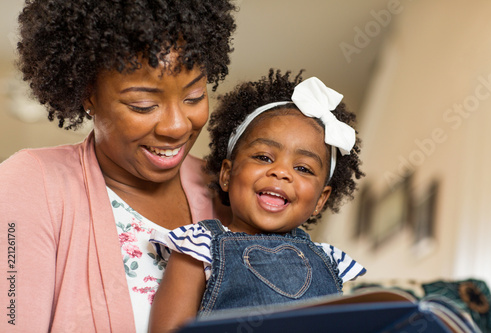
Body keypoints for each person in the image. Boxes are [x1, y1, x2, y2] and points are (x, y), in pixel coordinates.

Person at [0, 1, 236, 332]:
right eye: (144, 105)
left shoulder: (227, 188)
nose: (177, 126)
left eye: (194, 96)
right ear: (88, 94)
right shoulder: (30, 184)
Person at [148, 70, 367, 332]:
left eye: (304, 168)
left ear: (321, 199)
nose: (281, 172)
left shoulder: (331, 261)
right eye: (264, 157)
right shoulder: (199, 246)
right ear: (227, 174)